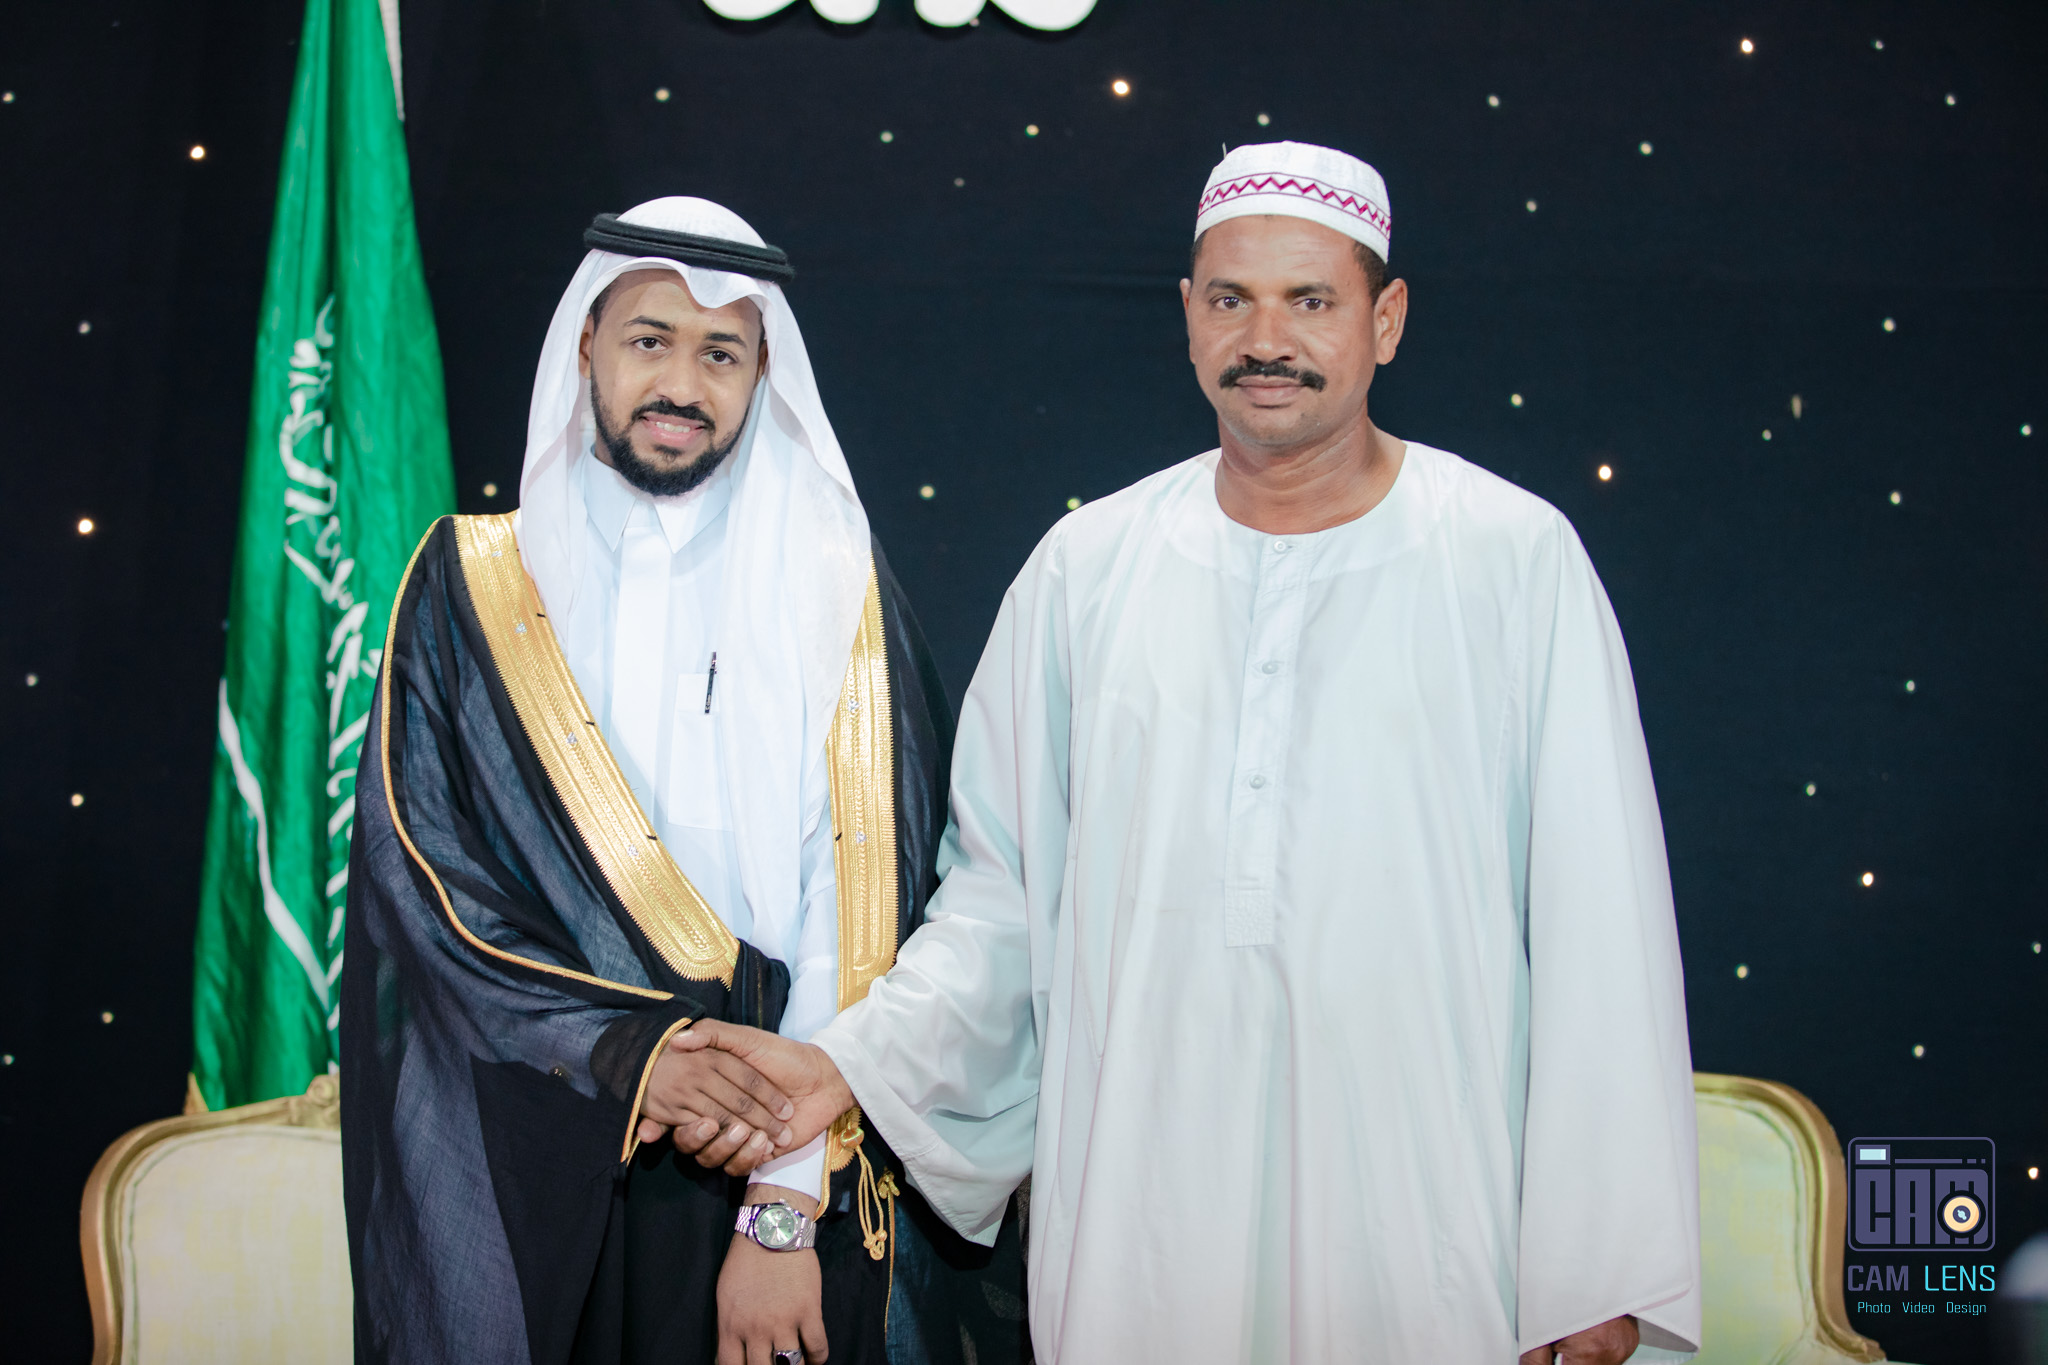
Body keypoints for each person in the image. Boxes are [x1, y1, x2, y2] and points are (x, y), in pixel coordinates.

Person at [666, 144, 1704, 1362]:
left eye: (1308, 301)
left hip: (1426, 1217)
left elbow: (1599, 931)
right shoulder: (1085, 572)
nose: (1265, 340)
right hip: (1141, 1216)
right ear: (1187, 315)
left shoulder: (1512, 561)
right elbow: (999, 910)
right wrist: (844, 1068)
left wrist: (1590, 1266)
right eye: (1230, 300)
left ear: (1384, 320)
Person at [340, 196, 1025, 1365]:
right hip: (558, 1143)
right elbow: (425, 878)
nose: (680, 384)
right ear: (586, 348)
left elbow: (868, 902)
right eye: (649, 340)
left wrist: (781, 1197)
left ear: (761, 375)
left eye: (720, 353)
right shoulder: (472, 581)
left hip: (793, 1156)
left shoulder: (836, 584)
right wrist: (629, 1056)